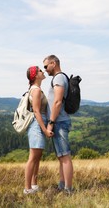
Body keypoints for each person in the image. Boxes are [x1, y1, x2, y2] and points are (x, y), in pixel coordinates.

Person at [43, 55, 74, 194]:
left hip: (59, 122)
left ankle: (68, 189)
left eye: (46, 66)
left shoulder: (59, 78)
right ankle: (62, 185)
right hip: (59, 121)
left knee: (65, 156)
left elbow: (57, 102)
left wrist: (51, 123)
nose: (45, 70)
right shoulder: (59, 78)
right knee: (61, 156)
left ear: (53, 63)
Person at [24, 66, 54, 194]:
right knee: (33, 157)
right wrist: (45, 129)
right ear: (36, 75)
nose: (43, 72)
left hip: (38, 124)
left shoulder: (36, 89)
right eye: (41, 70)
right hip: (37, 125)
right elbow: (36, 111)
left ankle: (34, 184)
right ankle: (27, 188)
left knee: (37, 156)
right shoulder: (36, 91)